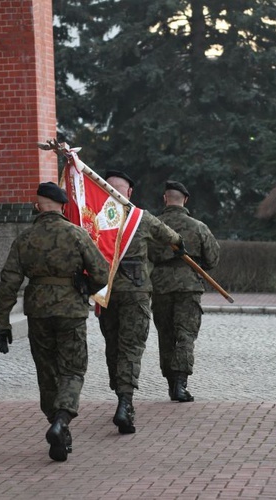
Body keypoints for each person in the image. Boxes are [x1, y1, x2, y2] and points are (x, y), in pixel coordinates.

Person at [0, 182, 109, 462]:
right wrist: (85, 286)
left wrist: (2, 323)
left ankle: (55, 424)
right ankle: (62, 421)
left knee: (47, 372)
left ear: (38, 206)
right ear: (62, 206)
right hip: (70, 309)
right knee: (72, 370)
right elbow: (102, 273)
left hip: (38, 312)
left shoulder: (25, 238)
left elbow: (9, 282)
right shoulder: (77, 234)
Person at [98, 170, 184, 434]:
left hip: (107, 293)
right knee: (131, 348)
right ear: (130, 193)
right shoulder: (142, 219)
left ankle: (119, 392)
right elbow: (173, 238)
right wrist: (179, 246)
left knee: (113, 346)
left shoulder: (97, 220)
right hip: (135, 294)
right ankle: (125, 402)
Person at [149, 180, 220, 402]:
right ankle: (180, 385)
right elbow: (212, 259)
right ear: (185, 200)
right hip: (189, 287)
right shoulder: (198, 227)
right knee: (185, 335)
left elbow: (146, 256)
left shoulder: (153, 226)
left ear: (165, 198)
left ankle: (171, 384)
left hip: (160, 287)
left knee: (166, 335)